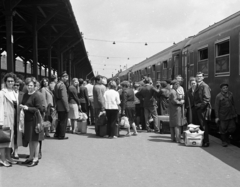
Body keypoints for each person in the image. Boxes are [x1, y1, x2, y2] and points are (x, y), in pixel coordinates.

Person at [20, 77, 44, 167]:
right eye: (28, 85)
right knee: (30, 139)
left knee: (35, 140)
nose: (29, 87)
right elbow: (24, 103)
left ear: (34, 86)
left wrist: (28, 108)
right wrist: (22, 106)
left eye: (31, 85)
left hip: (34, 120)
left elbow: (40, 109)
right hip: (27, 120)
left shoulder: (36, 95)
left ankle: (36, 158)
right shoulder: (26, 94)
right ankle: (30, 157)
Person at [0, 73, 18, 167]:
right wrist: (1, 121)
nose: (10, 82)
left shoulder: (14, 92)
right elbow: (0, 107)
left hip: (13, 119)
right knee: (4, 139)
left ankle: (8, 157)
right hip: (6, 118)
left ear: (14, 82)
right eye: (8, 81)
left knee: (10, 139)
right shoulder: (2, 92)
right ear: (5, 82)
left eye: (12, 81)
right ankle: (2, 159)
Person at [215, 83, 237, 147]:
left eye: (226, 87)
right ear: (221, 89)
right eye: (224, 88)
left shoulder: (230, 94)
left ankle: (227, 137)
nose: (225, 89)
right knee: (223, 129)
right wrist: (217, 117)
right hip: (223, 115)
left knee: (232, 128)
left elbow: (233, 104)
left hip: (231, 114)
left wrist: (235, 113)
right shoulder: (218, 96)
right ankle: (224, 141)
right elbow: (216, 107)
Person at [194, 72, 211, 147]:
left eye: (200, 76)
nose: (198, 78)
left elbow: (207, 98)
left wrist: (200, 106)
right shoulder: (198, 85)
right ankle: (202, 140)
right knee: (200, 125)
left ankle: (206, 141)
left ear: (203, 77)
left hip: (202, 109)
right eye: (197, 76)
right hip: (199, 108)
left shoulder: (204, 86)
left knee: (203, 125)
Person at [54, 71, 69, 140]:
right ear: (62, 78)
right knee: (63, 121)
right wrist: (67, 108)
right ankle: (61, 135)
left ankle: (57, 133)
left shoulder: (57, 84)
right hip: (62, 105)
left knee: (60, 120)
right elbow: (64, 98)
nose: (67, 78)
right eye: (66, 77)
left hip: (58, 104)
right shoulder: (62, 85)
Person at [12, 78, 24, 159]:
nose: (16, 86)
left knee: (16, 134)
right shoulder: (9, 93)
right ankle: (9, 150)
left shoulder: (22, 94)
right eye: (15, 85)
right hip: (10, 116)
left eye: (18, 85)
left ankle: (15, 152)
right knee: (9, 134)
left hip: (18, 116)